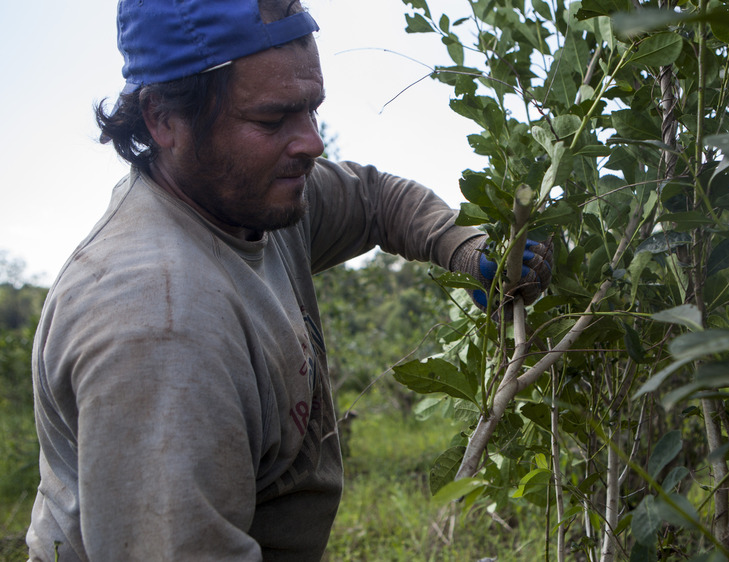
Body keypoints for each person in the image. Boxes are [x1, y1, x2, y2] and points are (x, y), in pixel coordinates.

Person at [26, 1, 551, 560]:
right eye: (272, 120)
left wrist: (468, 248)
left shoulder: (251, 201)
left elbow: (375, 198)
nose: (312, 143)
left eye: (312, 110)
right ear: (163, 118)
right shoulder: (159, 325)